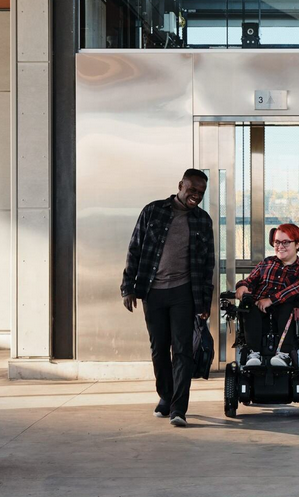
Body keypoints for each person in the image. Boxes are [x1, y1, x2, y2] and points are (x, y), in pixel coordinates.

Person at [121, 169, 214, 427]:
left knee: (183, 351)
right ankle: (165, 395)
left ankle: (178, 409)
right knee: (159, 349)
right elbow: (135, 248)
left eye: (200, 193)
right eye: (192, 190)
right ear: (180, 186)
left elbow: (208, 265)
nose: (196, 196)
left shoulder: (203, 221)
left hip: (185, 293)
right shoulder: (153, 211)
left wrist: (204, 304)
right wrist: (128, 287)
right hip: (153, 292)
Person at [235, 222, 299, 367]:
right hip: (258, 308)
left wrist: (271, 300)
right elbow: (251, 279)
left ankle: (283, 354)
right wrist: (243, 285)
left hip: (283, 310)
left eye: (286, 242)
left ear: (297, 245)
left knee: (289, 308)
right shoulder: (267, 263)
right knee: (248, 307)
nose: (280, 246)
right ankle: (253, 353)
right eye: (277, 242)